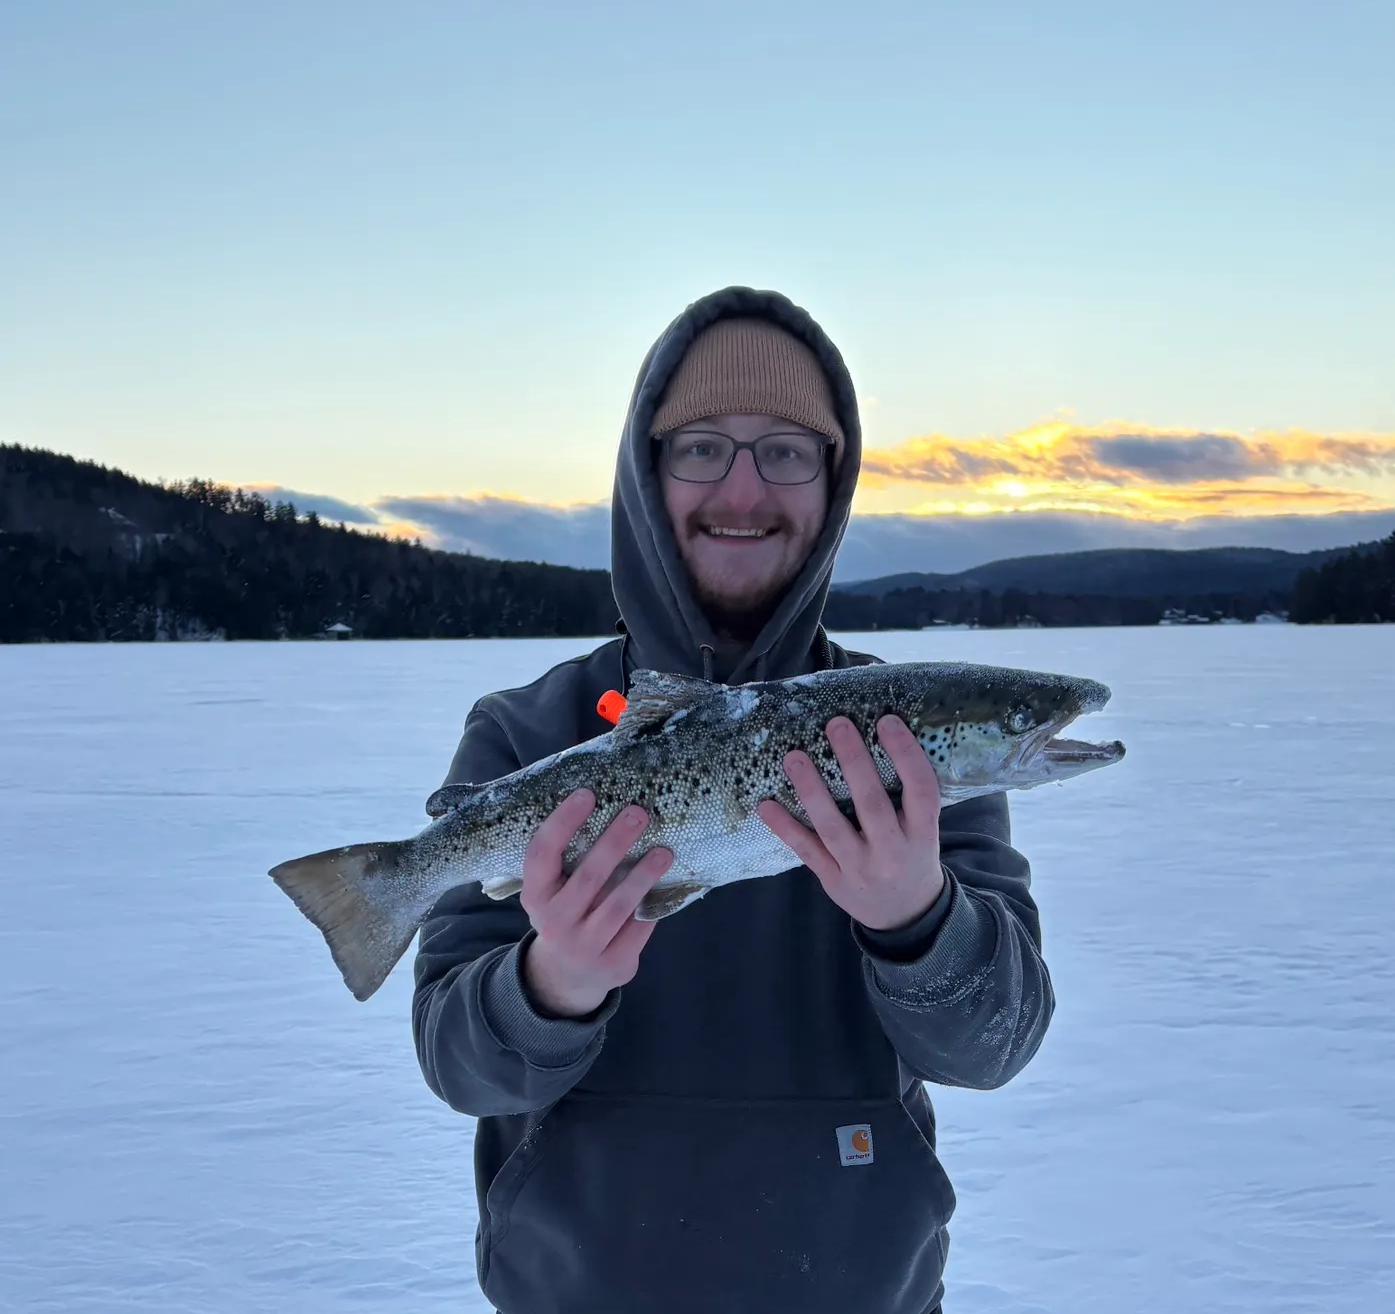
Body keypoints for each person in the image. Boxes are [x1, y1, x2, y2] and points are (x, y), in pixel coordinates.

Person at [413, 287, 1054, 1314]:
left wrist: (918, 922)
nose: (744, 490)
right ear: (647, 473)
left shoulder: (904, 746)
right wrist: (550, 986)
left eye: (787, 451)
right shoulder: (530, 733)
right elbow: (460, 1070)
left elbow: (996, 1045)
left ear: (834, 483)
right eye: (702, 448)